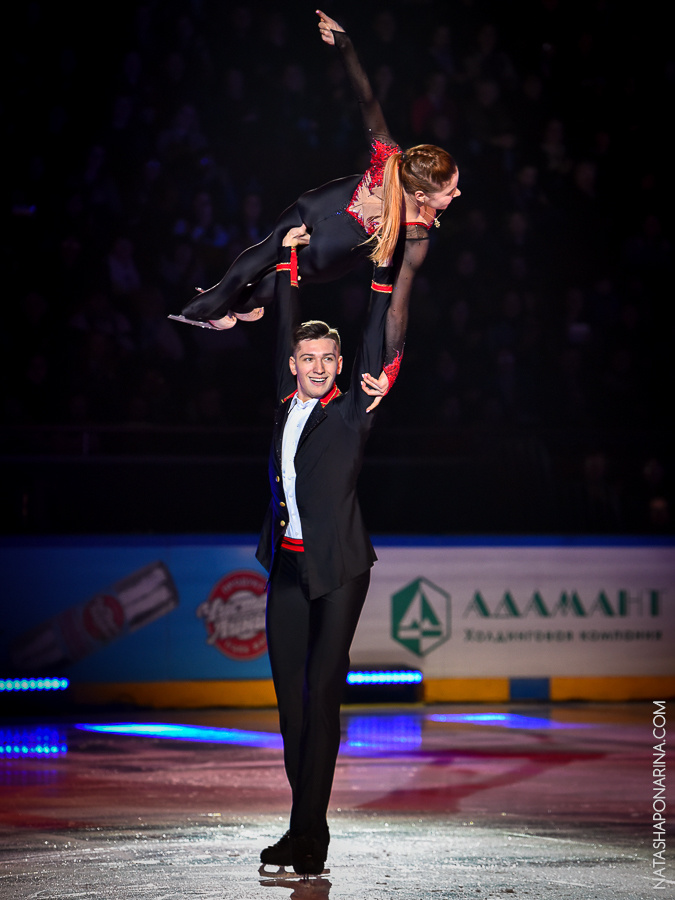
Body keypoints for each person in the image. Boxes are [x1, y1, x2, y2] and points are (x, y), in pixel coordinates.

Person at [175, 9, 460, 393]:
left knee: (266, 251)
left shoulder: (391, 154)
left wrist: (345, 44)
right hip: (332, 247)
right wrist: (390, 369)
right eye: (450, 190)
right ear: (422, 194)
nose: (457, 194)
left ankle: (208, 307)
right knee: (280, 271)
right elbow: (397, 309)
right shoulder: (415, 235)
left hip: (320, 204)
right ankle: (229, 310)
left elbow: (367, 96)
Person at [256, 223, 395, 876]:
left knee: (321, 698)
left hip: (339, 570)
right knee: (290, 708)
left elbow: (376, 329)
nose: (314, 366)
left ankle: (311, 837)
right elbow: (283, 322)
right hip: (286, 566)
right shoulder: (284, 404)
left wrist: (382, 269)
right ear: (294, 363)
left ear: (339, 366)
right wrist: (287, 260)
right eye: (305, 358)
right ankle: (302, 828)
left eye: (324, 359)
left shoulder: (351, 411)